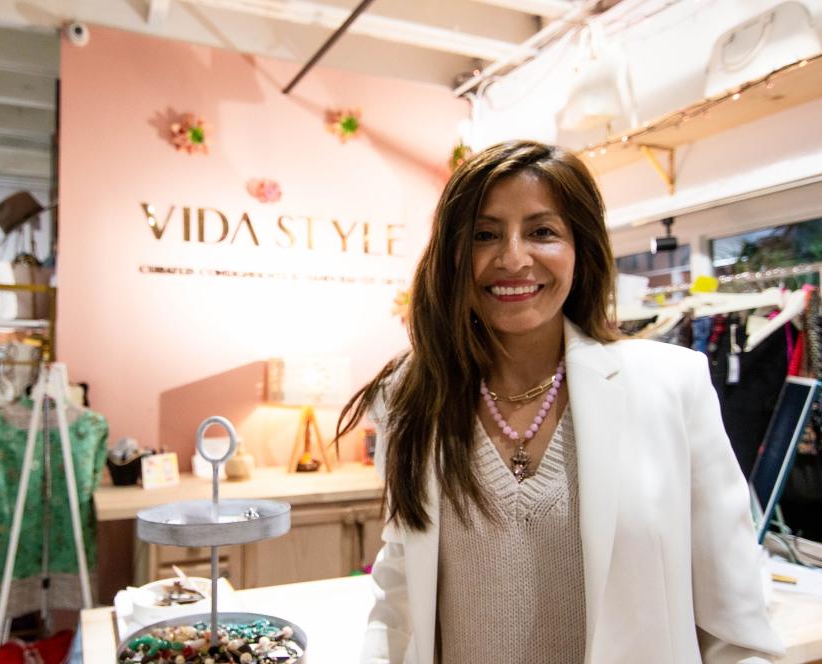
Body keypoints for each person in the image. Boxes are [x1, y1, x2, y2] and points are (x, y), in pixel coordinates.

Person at [336, 140, 784, 664]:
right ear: (453, 255)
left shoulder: (670, 386)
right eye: (484, 234)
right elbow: (398, 599)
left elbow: (737, 627)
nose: (512, 258)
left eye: (542, 231)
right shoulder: (412, 396)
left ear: (581, 248)